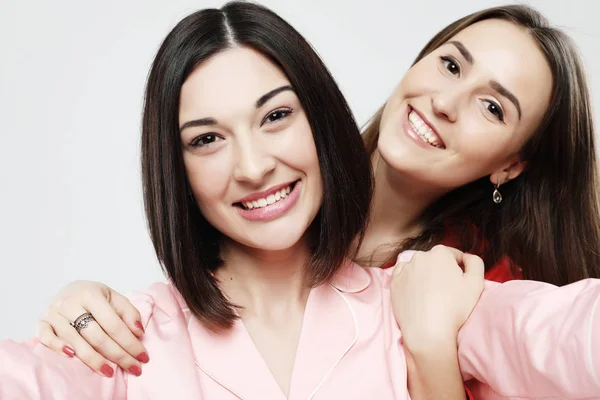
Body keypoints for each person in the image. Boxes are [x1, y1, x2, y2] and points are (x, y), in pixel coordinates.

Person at [7, 2, 600, 399]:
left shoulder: (454, 287)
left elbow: (561, 335)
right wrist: (78, 305)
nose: (254, 165)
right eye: (450, 65)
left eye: (492, 106)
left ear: (511, 163)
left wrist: (428, 347)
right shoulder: (148, 335)